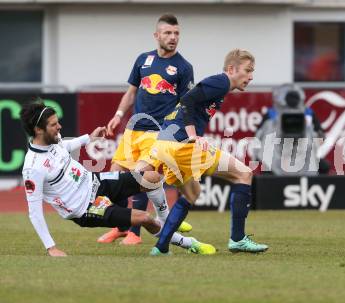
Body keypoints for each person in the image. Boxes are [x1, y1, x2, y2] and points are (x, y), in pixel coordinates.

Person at [20, 102, 215, 256]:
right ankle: (189, 243)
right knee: (144, 218)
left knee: (153, 177)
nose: (59, 127)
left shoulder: (53, 140)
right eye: (54, 124)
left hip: (96, 181)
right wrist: (51, 248)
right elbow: (34, 213)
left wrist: (90, 138)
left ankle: (166, 219)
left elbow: (65, 146)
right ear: (38, 130)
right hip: (86, 208)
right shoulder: (33, 168)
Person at [146, 49, 268, 255]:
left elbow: (183, 106)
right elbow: (187, 101)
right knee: (244, 173)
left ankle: (161, 247)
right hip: (181, 144)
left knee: (192, 193)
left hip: (165, 145)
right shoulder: (221, 82)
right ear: (231, 69)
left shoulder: (220, 87)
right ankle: (238, 239)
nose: (251, 76)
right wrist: (193, 135)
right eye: (247, 71)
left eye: (252, 71)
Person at [97, 13, 193, 245]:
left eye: (176, 33)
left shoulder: (183, 67)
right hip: (133, 129)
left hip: (158, 132)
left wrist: (181, 132)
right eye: (168, 33)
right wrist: (118, 115)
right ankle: (121, 227)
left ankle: (135, 233)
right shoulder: (143, 60)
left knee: (141, 177)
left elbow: (186, 105)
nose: (173, 37)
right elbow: (131, 92)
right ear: (157, 35)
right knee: (116, 174)